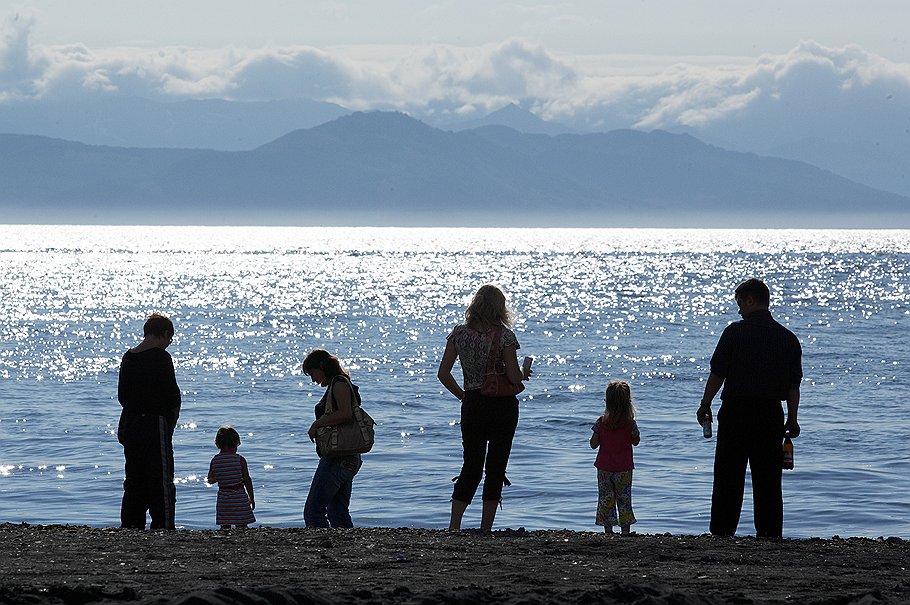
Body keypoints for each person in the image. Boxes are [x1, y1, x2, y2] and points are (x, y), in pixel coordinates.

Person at [696, 278, 802, 538]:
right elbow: (792, 386)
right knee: (768, 479)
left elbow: (717, 374)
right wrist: (793, 418)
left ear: (751, 300)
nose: (739, 310)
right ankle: (769, 533)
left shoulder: (734, 333)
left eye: (740, 303)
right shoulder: (787, 338)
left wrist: (705, 404)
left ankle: (722, 532)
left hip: (736, 412)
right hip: (770, 415)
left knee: (728, 477)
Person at [437, 284, 531, 531]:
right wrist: (524, 373)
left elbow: (443, 374)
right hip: (502, 406)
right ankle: (485, 528)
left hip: (473, 404)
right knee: (496, 466)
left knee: (471, 465)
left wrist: (463, 396)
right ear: (500, 307)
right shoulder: (505, 336)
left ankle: (454, 526)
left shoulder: (459, 334)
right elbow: (512, 377)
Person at [117, 313, 181, 530]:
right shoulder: (161, 358)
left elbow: (122, 397)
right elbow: (172, 396)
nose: (168, 344)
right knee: (161, 480)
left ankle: (131, 525)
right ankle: (163, 525)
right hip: (155, 423)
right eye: (169, 339)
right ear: (163, 334)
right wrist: (170, 423)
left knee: (134, 479)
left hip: (130, 423)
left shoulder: (128, 357)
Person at [302, 349, 363, 528]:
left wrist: (317, 424)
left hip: (339, 457)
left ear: (321, 366)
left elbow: (346, 414)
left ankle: (322, 548)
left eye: (312, 373)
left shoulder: (339, 383)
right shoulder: (341, 383)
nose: (313, 379)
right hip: (348, 456)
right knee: (337, 510)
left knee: (313, 511)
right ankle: (345, 550)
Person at [590, 380, 640, 535]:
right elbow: (636, 441)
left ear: (607, 402)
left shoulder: (601, 422)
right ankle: (625, 530)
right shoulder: (630, 423)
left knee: (606, 499)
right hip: (624, 468)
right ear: (628, 402)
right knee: (624, 499)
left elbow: (593, 444)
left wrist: (598, 435)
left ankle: (608, 530)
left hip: (605, 468)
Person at [207, 426, 256, 529]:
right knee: (242, 525)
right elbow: (247, 480)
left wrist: (221, 476)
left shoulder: (215, 460)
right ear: (235, 443)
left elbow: (210, 480)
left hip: (223, 498)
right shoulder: (240, 459)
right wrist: (251, 497)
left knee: (225, 525)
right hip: (239, 497)